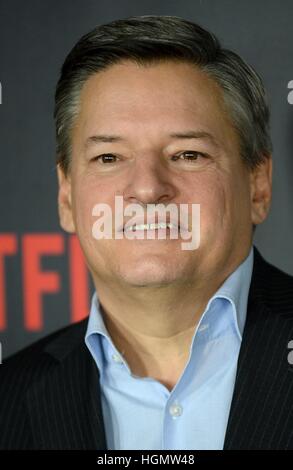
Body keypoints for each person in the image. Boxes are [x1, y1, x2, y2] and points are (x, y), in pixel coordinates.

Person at [0, 14, 292, 450]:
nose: (147, 188)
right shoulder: (8, 398)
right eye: (109, 158)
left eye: (188, 154)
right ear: (66, 197)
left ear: (258, 185)